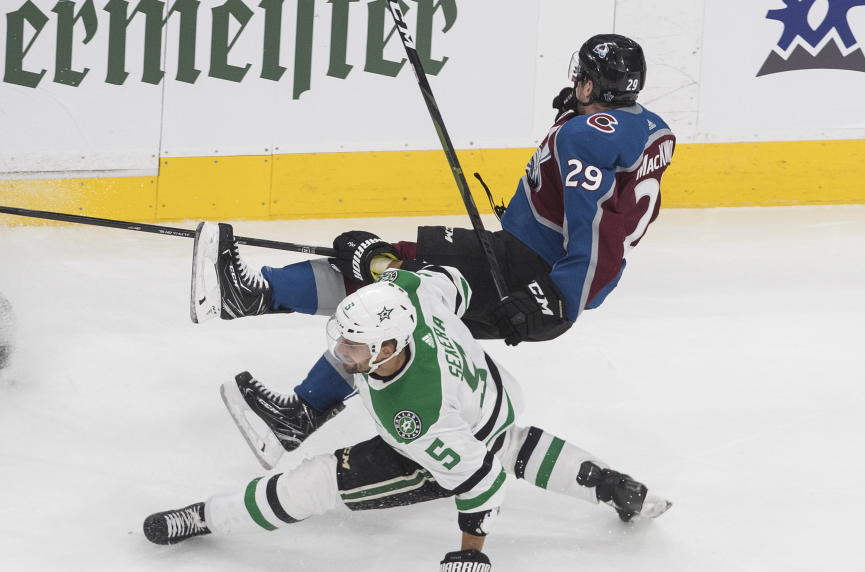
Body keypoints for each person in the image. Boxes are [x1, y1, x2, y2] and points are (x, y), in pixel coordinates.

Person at [189, 33, 676, 469]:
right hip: (521, 253)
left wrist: (559, 298)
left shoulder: (584, 137)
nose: (576, 81)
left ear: (594, 86)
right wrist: (577, 110)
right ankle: (290, 392)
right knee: (396, 283)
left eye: (583, 77)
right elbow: (614, 196)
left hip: (531, 276)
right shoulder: (649, 128)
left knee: (393, 293)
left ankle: (259, 313)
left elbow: (597, 237)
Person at [147, 266, 671, 572]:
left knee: (318, 482)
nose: (340, 352)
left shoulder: (413, 415)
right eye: (343, 339)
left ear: (390, 347)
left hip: (452, 427)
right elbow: (451, 281)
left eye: (353, 347)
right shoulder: (408, 294)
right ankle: (609, 484)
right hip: (494, 397)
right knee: (504, 441)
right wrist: (376, 262)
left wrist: (471, 559)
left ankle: (208, 517)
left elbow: (482, 482)